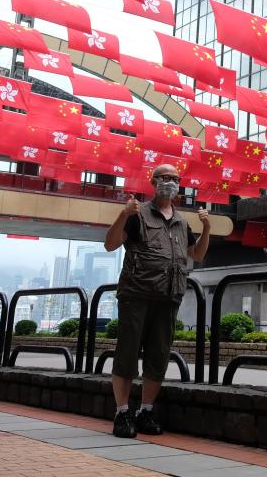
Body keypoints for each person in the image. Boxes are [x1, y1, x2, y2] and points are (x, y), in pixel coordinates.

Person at [104, 163, 210, 438]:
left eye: (175, 178)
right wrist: (123, 214)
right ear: (153, 182)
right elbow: (110, 244)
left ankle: (146, 411)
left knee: (158, 356)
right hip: (136, 295)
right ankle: (122, 412)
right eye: (165, 177)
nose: (170, 182)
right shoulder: (137, 214)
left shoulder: (182, 222)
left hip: (168, 297)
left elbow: (197, 255)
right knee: (127, 354)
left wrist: (207, 227)